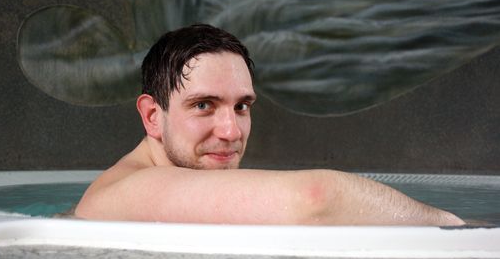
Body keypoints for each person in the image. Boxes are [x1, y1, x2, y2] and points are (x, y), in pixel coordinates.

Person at [75, 24, 464, 226]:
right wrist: (459, 228)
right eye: (204, 105)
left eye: (242, 106)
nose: (231, 131)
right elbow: (318, 198)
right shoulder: (130, 191)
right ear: (152, 116)